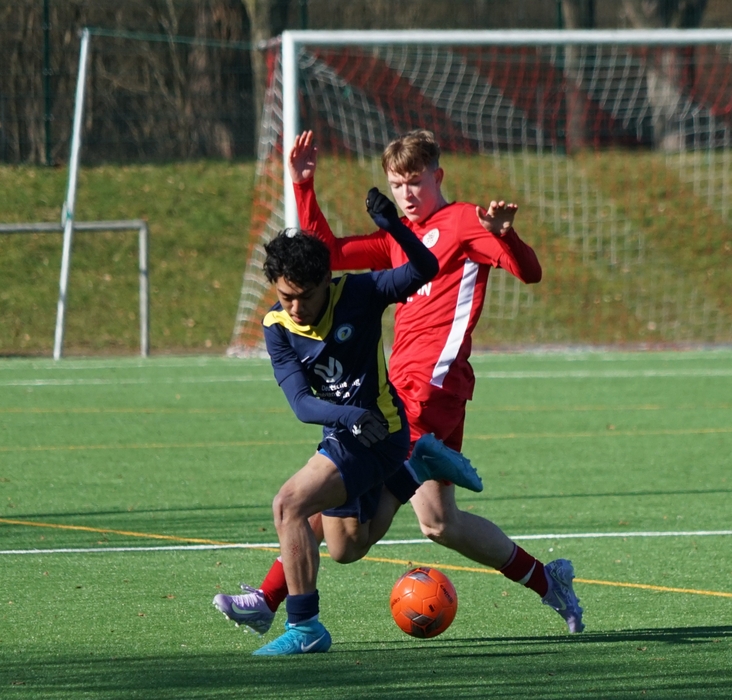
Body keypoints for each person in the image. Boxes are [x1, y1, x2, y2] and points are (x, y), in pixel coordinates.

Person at [215, 129, 584, 636]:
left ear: (438, 176)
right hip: (404, 384)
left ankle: (269, 597)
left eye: (415, 182)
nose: (406, 193)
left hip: (431, 383)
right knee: (439, 522)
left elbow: (530, 272)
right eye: (396, 184)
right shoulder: (396, 236)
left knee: (333, 488)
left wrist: (506, 236)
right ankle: (548, 581)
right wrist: (303, 186)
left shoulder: (465, 221)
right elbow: (326, 257)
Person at [229, 190, 484, 656]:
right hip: (346, 430)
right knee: (347, 549)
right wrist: (350, 416)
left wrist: (395, 227)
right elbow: (302, 404)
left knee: (288, 505)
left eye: (306, 297)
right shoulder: (277, 326)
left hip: (383, 432)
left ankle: (304, 626)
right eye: (286, 297)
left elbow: (425, 269)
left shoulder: (360, 293)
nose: (296, 307)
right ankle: (415, 471)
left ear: (327, 281)